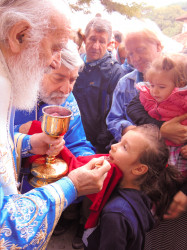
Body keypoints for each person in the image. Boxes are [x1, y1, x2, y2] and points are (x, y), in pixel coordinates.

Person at [0, 1, 110, 248]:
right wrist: (72, 186)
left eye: (73, 80)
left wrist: (27, 143)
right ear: (19, 36)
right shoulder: (16, 92)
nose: (53, 61)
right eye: (54, 49)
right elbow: (4, 228)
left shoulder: (63, 100)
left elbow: (77, 141)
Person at [83, 124, 182, 250]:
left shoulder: (115, 214)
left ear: (139, 169)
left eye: (124, 147)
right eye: (120, 141)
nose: (113, 146)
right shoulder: (142, 193)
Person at [106, 19, 164, 142]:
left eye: (140, 50)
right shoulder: (125, 83)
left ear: (158, 46)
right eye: (130, 54)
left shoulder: (181, 79)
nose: (135, 58)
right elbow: (113, 120)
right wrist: (142, 133)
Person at [73, 16, 125, 153]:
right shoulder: (74, 66)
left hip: (98, 146)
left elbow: (115, 115)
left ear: (109, 44)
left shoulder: (116, 73)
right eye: (92, 39)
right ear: (85, 39)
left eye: (102, 41)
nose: (96, 46)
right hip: (72, 138)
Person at [135, 53, 187, 177]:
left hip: (180, 150)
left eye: (162, 87)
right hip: (159, 146)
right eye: (152, 85)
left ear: (179, 84)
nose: (154, 91)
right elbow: (133, 108)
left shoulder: (183, 99)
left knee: (177, 176)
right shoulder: (149, 96)